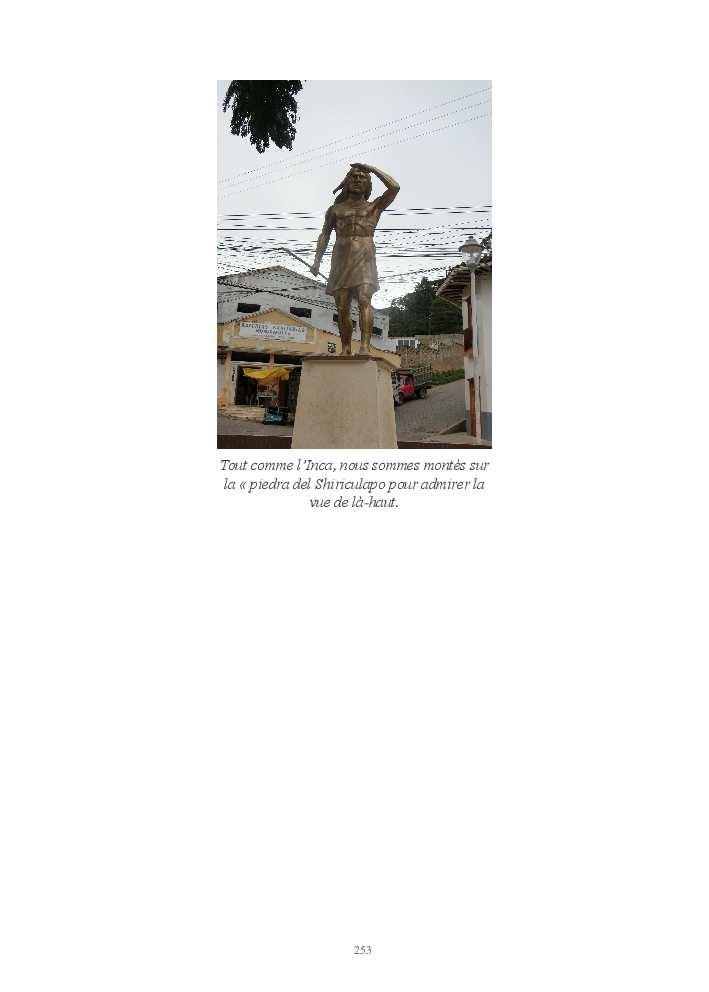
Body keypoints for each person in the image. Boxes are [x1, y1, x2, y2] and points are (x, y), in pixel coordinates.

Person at [311, 163, 399, 355]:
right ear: (347, 182)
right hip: (340, 259)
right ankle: (346, 348)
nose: (358, 180)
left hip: (364, 257)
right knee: (342, 308)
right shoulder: (335, 209)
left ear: (368, 184)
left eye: (362, 177)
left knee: (364, 299)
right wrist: (317, 260)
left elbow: (394, 187)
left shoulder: (374, 206)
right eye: (354, 177)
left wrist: (372, 169)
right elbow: (324, 235)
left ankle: (365, 347)